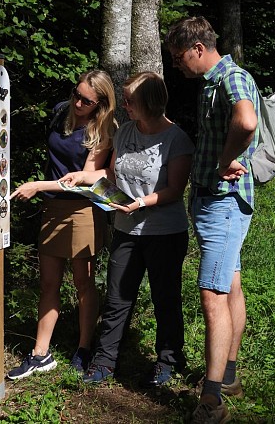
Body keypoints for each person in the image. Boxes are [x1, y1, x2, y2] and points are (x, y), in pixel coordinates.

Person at [60, 72, 194, 387]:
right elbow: (113, 170)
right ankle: (104, 362)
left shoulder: (177, 140)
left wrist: (141, 203)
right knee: (118, 298)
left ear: (149, 103)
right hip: (125, 229)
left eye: (130, 101)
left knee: (165, 299)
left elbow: (175, 189)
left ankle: (168, 360)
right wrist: (86, 178)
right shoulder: (125, 133)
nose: (125, 106)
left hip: (164, 232)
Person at [164, 16, 260, 424]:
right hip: (213, 203)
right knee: (230, 285)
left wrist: (226, 160)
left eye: (179, 57)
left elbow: (247, 120)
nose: (177, 66)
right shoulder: (211, 84)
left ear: (198, 49)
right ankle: (230, 377)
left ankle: (211, 402)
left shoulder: (231, 79)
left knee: (212, 296)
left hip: (224, 204)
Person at [7, 70, 117, 380]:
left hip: (82, 209)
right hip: (52, 208)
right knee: (48, 283)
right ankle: (40, 353)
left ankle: (84, 347)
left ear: (100, 104)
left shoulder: (103, 130)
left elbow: (84, 180)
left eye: (86, 100)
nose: (78, 102)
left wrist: (39, 185)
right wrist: (45, 189)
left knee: (83, 282)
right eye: (76, 94)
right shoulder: (60, 113)